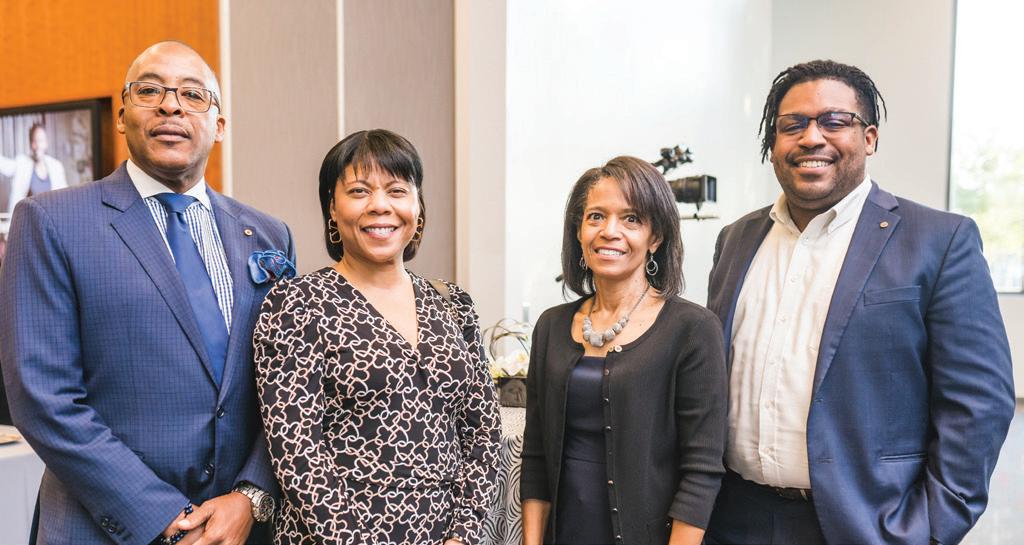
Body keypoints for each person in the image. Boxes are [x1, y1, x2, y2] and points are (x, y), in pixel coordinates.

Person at [705, 59, 1015, 545]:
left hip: (865, 524)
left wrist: (927, 529)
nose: (811, 137)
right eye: (792, 125)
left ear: (868, 138)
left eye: (834, 121)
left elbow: (979, 403)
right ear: (773, 144)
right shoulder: (736, 240)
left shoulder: (939, 240)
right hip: (731, 519)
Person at [0, 41, 294, 545]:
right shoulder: (51, 221)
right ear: (121, 116)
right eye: (150, 90)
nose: (171, 106)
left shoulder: (268, 235)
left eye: (193, 95)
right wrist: (163, 515)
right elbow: (43, 396)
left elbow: (288, 390)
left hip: (239, 530)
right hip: (101, 529)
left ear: (220, 126)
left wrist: (250, 496)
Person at [253, 129, 501, 545]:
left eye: (397, 190)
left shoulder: (453, 303)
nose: (380, 205)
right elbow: (297, 451)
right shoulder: (297, 304)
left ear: (418, 207)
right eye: (359, 191)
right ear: (332, 209)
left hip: (445, 536)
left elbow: (483, 433)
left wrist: (462, 535)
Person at [520, 156, 728, 545]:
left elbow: (701, 472)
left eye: (631, 219)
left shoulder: (693, 329)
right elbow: (535, 457)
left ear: (656, 237)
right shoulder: (551, 326)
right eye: (596, 217)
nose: (609, 231)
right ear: (579, 232)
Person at [0, 123, 69, 212]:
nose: (37, 145)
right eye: (34, 141)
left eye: (40, 140)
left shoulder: (56, 167)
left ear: (46, 143)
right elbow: (4, 165)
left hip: (51, 218)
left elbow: (65, 197)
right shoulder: (22, 164)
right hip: (27, 219)